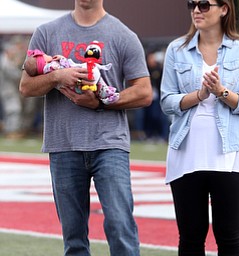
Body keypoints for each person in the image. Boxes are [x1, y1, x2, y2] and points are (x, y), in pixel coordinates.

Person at [19, 1, 152, 255]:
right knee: (74, 238)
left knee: (120, 226)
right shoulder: (46, 32)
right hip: (63, 145)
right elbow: (26, 87)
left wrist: (101, 102)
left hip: (109, 144)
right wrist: (59, 76)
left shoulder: (123, 34)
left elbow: (144, 93)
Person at [160, 1, 239, 256]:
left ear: (224, 9)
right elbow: (166, 101)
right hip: (186, 152)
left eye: (204, 4)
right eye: (192, 4)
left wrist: (221, 92)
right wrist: (200, 94)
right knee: (191, 238)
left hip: (231, 154)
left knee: (229, 237)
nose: (196, 10)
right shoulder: (177, 49)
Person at [24, 47, 120, 105]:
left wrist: (61, 58)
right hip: (74, 83)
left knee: (93, 80)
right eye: (45, 55)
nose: (48, 55)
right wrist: (59, 69)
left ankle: (104, 93)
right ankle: (105, 93)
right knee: (91, 77)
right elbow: (61, 69)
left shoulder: (49, 67)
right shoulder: (49, 67)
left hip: (73, 83)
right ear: (44, 61)